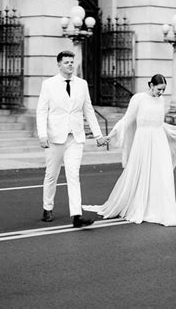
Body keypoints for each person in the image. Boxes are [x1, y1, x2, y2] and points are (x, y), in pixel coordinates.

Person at [83, 74, 176, 227]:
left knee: (163, 175)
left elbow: (159, 123)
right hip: (143, 141)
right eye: (159, 89)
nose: (161, 93)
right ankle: (141, 206)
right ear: (151, 85)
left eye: (163, 90)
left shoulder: (161, 100)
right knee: (142, 174)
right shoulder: (138, 99)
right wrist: (110, 136)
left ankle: (164, 211)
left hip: (159, 141)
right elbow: (127, 120)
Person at [36, 50, 107, 228]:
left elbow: (88, 110)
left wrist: (98, 135)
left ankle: (76, 215)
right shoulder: (49, 84)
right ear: (59, 64)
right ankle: (47, 208)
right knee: (51, 175)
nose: (70, 65)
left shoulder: (82, 84)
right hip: (54, 137)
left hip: (75, 137)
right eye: (66, 62)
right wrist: (42, 135)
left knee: (73, 175)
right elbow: (41, 111)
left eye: (71, 62)